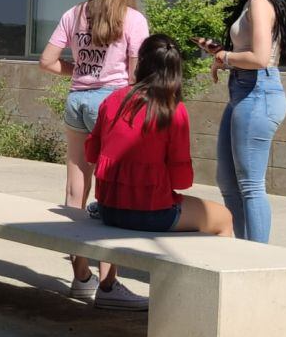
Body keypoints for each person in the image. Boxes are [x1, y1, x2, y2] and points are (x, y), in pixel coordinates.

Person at [38, 0, 149, 310]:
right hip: (112, 106)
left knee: (75, 192)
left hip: (78, 101)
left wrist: (79, 74)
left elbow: (47, 61)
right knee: (110, 194)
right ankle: (109, 285)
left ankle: (81, 278)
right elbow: (135, 76)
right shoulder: (132, 20)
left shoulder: (73, 14)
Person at [87, 34, 234, 244]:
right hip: (152, 212)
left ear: (142, 62)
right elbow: (181, 181)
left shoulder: (113, 99)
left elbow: (91, 153)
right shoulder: (174, 109)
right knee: (224, 218)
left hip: (109, 208)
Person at [196, 0, 286, 244]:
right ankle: (244, 250)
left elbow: (261, 58)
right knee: (227, 180)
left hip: (259, 93)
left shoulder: (261, 2)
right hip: (243, 93)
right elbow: (248, 53)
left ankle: (258, 259)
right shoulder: (251, 3)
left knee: (250, 185)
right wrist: (221, 54)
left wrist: (224, 58)